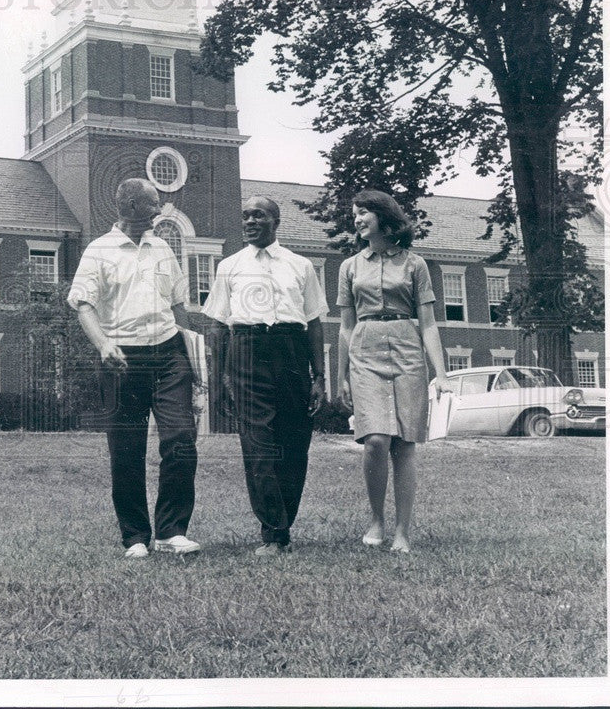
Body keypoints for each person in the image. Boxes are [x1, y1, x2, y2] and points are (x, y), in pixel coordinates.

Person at [67, 178, 200, 559]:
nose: (159, 212)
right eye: (153, 204)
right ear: (129, 207)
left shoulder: (163, 250)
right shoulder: (99, 250)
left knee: (180, 439)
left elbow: (179, 306)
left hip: (170, 353)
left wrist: (193, 359)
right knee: (126, 449)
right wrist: (104, 344)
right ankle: (135, 537)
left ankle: (172, 531)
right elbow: (82, 304)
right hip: (122, 358)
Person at [202, 196, 328, 555]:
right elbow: (217, 326)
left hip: (291, 349)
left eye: (258, 215)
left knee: (293, 442)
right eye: (245, 216)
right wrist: (219, 379)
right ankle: (273, 532)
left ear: (276, 220)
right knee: (257, 443)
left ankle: (284, 521)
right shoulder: (229, 266)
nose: (250, 221)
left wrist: (319, 376)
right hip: (246, 348)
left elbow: (315, 323)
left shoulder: (300, 266)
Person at [336, 189, 454, 553]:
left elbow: (430, 324)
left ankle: (403, 530)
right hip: (366, 349)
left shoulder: (415, 265)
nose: (356, 220)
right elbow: (345, 325)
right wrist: (341, 374)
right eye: (354, 214)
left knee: (404, 444)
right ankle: (376, 519)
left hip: (407, 349)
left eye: (363, 213)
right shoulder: (350, 266)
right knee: (374, 440)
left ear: (384, 218)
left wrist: (443, 373)